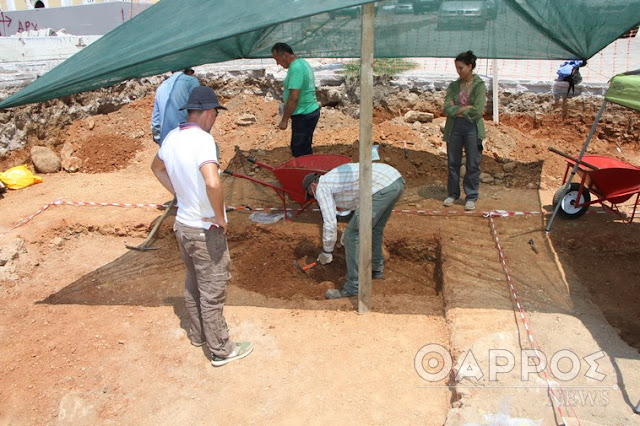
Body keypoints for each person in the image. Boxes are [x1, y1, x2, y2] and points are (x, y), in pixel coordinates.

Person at [151, 86, 253, 367]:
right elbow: (212, 182)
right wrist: (220, 217)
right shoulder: (204, 141)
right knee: (212, 289)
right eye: (216, 114)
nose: (215, 120)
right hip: (204, 230)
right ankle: (221, 349)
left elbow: (156, 168)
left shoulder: (172, 137)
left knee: (194, 282)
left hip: (183, 226)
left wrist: (181, 195)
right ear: (209, 113)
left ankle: (198, 335)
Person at [302, 163, 405, 299]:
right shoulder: (334, 181)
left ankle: (353, 287)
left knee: (351, 236)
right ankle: (376, 270)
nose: (315, 198)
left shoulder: (321, 187)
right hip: (394, 181)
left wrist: (327, 251)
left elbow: (330, 223)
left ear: (313, 186)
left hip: (381, 186)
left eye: (311, 194)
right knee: (375, 229)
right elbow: (356, 207)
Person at [442, 50, 487, 211]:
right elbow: (447, 108)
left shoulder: (479, 86)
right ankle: (453, 193)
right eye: (457, 68)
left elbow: (477, 111)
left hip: (472, 127)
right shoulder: (454, 86)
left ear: (470, 66)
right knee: (453, 162)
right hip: (454, 126)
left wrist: (458, 109)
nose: (458, 71)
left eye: (461, 68)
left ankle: (471, 196)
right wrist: (465, 108)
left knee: (472, 163)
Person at [271, 42, 321, 157]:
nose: (277, 63)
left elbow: (293, 97)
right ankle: (309, 170)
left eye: (277, 59)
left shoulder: (296, 68)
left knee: (299, 149)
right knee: (304, 147)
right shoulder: (302, 63)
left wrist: (284, 120)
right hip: (309, 112)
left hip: (304, 114)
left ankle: (306, 172)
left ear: (285, 55)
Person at [151, 68, 200, 146]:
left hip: (166, 141)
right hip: (186, 140)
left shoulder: (161, 87)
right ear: (189, 71)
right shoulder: (191, 81)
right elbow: (198, 111)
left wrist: (160, 140)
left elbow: (155, 121)